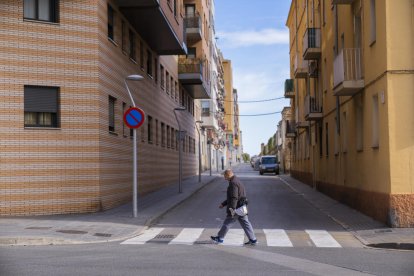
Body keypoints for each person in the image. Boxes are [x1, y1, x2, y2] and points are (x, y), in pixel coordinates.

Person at [211, 169, 258, 245]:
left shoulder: (233, 183)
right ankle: (253, 239)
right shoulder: (237, 181)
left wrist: (232, 209)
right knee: (245, 223)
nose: (224, 178)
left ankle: (220, 238)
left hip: (236, 208)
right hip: (242, 207)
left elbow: (234, 198)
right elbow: (233, 197)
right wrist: (223, 204)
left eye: (225, 176)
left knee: (227, 223)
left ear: (228, 175)